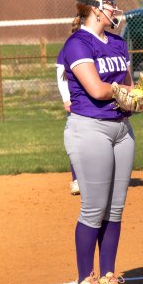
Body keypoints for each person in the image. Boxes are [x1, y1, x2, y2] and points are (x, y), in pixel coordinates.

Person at [57, 0, 135, 284]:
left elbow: (129, 85)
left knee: (114, 210)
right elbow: (97, 90)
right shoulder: (77, 43)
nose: (115, 9)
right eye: (110, 3)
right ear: (93, 7)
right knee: (93, 208)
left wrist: (134, 97)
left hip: (121, 129)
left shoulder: (117, 42)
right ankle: (84, 280)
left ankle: (108, 275)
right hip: (90, 128)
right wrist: (124, 94)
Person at [55, 54, 80, 195]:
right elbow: (61, 74)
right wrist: (66, 99)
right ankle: (77, 179)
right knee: (75, 141)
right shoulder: (71, 46)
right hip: (76, 101)